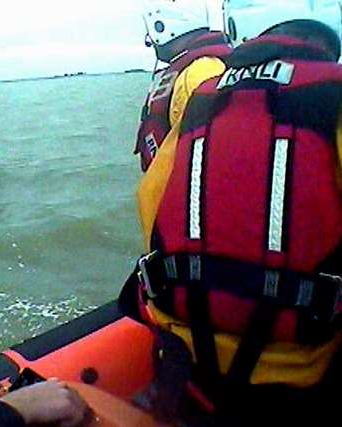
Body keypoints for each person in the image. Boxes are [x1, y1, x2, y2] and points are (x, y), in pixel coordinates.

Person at [133, 0, 342, 425]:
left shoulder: (203, 97)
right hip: (300, 372)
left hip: (189, 357)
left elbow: (149, 202)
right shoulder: (333, 95)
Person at [134, 0, 232, 172]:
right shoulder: (200, 68)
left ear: (161, 27)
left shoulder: (200, 73)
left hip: (181, 194)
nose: (148, 40)